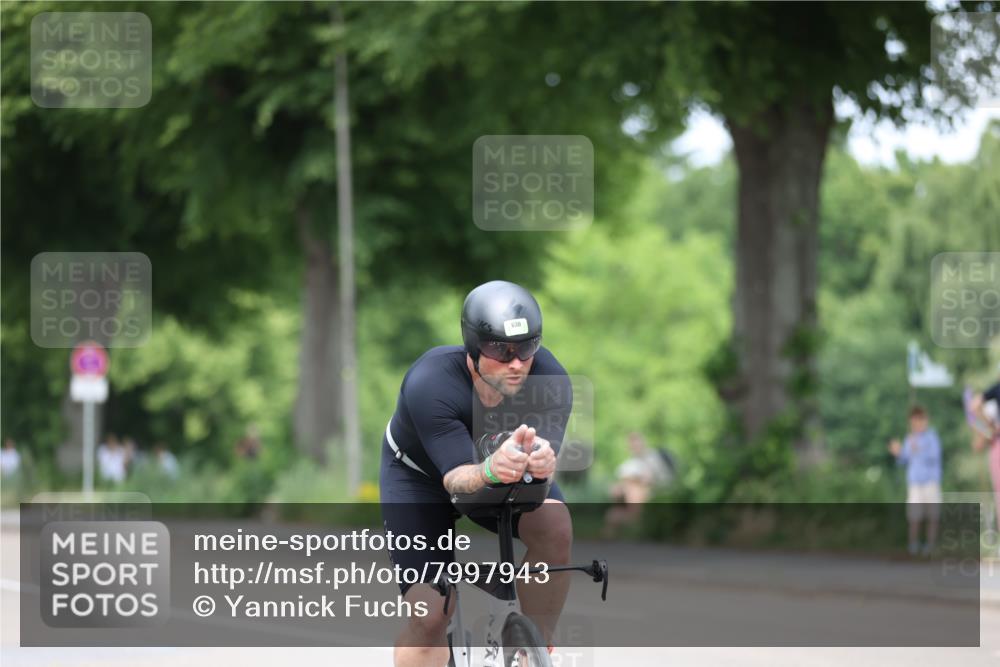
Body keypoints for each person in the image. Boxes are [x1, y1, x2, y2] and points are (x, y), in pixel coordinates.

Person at [380, 280, 571, 667]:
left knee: (555, 523)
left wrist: (541, 465)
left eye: (528, 347)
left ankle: (531, 650)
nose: (516, 362)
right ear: (472, 346)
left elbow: (540, 475)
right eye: (501, 349)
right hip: (419, 478)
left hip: (497, 471)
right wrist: (489, 469)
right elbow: (456, 480)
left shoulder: (550, 380)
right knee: (431, 615)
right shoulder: (430, 382)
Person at [888, 406, 942, 556]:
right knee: (914, 516)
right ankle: (913, 545)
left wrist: (919, 449)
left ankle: (930, 546)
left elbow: (934, 457)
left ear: (924, 420)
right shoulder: (909, 438)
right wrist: (898, 453)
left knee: (932, 516)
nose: (916, 424)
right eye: (913, 421)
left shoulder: (932, 437)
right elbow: (904, 460)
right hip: (915, 483)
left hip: (930, 481)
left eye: (919, 420)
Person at [602, 432, 672, 538]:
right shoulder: (630, 463)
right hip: (631, 495)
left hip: (654, 491)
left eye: (637, 443)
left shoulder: (654, 458)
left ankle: (633, 518)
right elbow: (620, 481)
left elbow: (657, 480)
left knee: (634, 489)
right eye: (633, 445)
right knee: (621, 493)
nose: (635, 447)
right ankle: (625, 522)